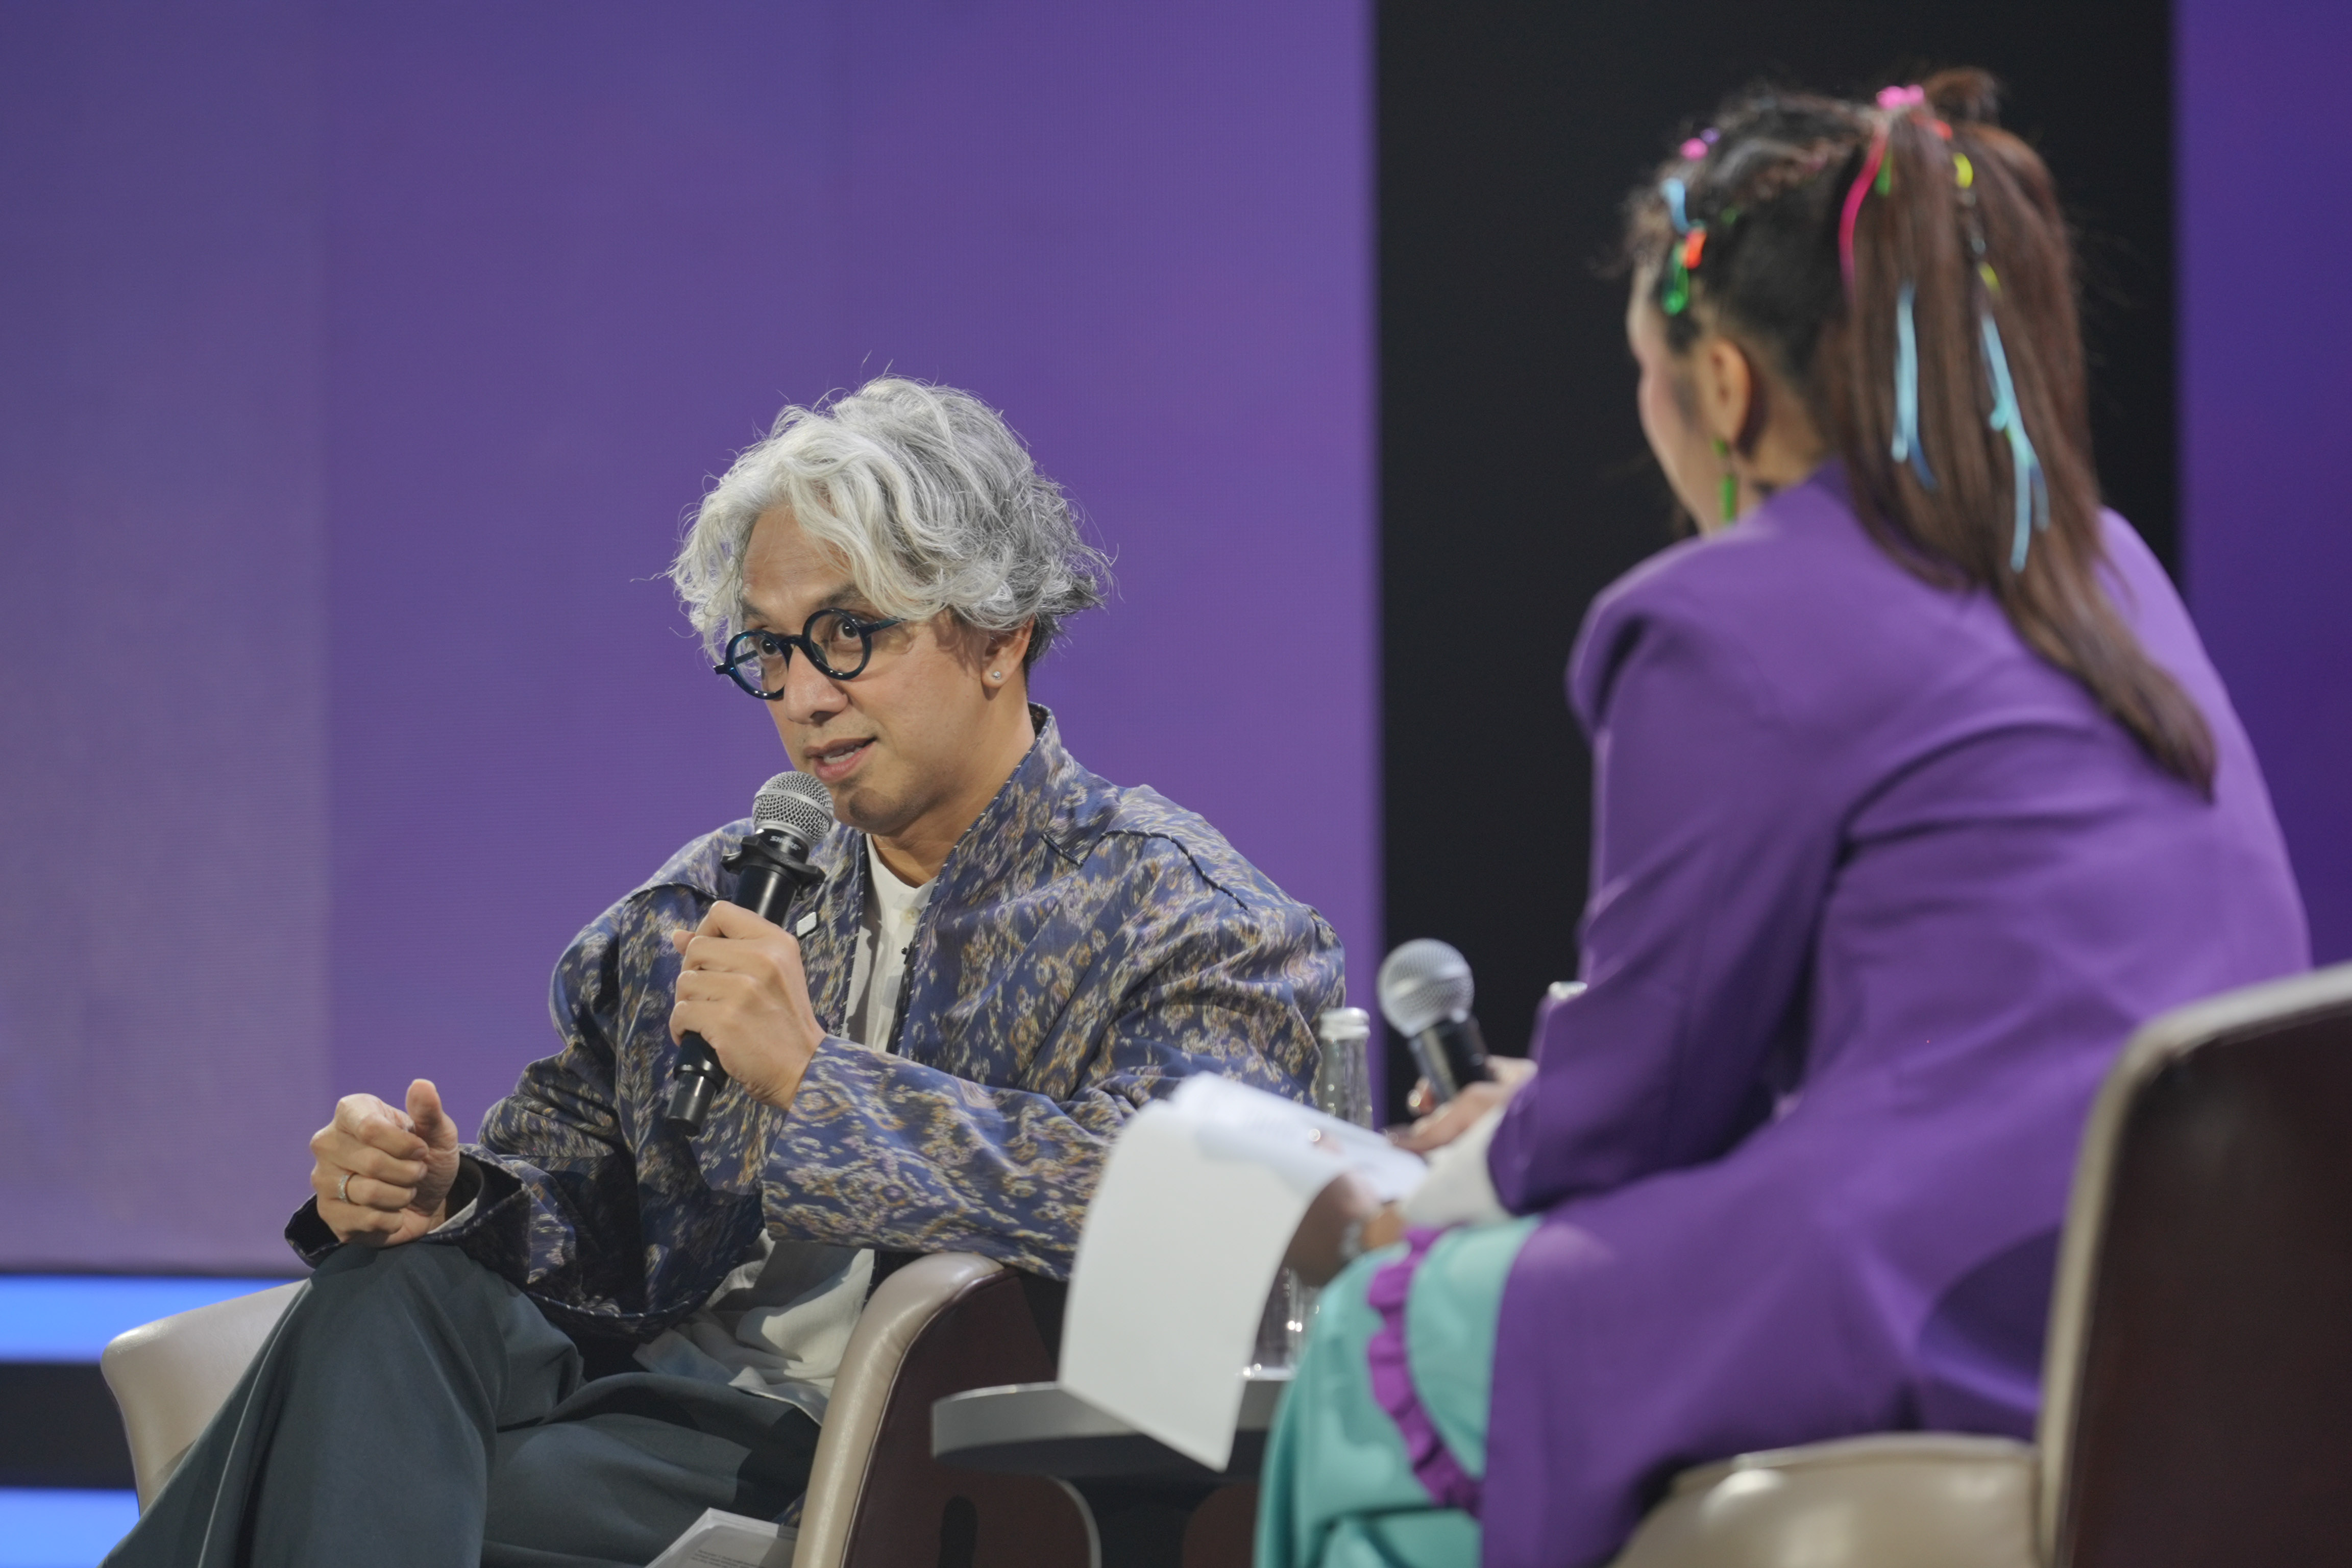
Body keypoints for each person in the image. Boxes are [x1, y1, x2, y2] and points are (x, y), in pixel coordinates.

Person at [1262, 71, 2308, 1568]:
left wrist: (1438, 1187)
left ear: (1725, 387)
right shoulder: (2103, 565)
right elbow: (1984, 1028)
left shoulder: (1721, 615)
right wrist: (1556, 1118)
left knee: (1385, 1336)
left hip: (1930, 1290)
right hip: (2194, 1299)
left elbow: (1642, 1098)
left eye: (1646, 373)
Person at [108, 378, 1343, 1568]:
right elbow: (574, 1199)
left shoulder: (1188, 918)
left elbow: (1184, 1223)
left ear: (998, 634)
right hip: (633, 1397)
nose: (803, 697)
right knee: (388, 1288)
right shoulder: (712, 903)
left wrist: (817, 1085)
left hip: (869, 1450)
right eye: (771, 651)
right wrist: (446, 1189)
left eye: (848, 636)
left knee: (352, 1487)